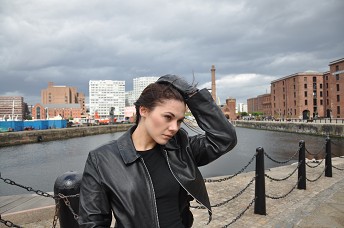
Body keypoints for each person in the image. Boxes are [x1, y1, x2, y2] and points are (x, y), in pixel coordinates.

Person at [78, 74, 237, 228]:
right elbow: (92, 223)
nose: (174, 128)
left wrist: (191, 93)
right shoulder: (102, 159)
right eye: (168, 117)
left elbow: (225, 138)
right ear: (144, 111)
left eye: (179, 120)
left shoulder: (181, 148)